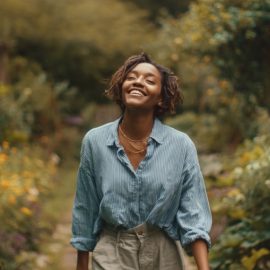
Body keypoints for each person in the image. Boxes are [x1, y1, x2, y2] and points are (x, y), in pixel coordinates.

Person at [71, 52, 212, 270]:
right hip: (111, 251)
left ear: (162, 97)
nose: (138, 82)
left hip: (163, 254)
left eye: (149, 80)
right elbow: (85, 208)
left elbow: (194, 215)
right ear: (122, 86)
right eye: (132, 77)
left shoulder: (181, 145)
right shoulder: (95, 141)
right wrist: (81, 266)